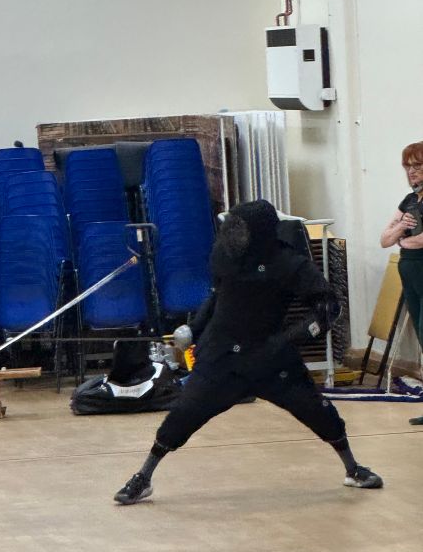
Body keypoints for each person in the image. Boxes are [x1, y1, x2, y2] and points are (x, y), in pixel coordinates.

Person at [113, 199, 383, 505]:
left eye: (240, 228)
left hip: (272, 361)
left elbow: (326, 308)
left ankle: (353, 469)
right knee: (183, 415)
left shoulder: (288, 262)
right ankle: (144, 477)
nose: (232, 233)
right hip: (221, 358)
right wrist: (194, 328)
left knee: (319, 412)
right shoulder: (224, 255)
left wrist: (284, 342)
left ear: (260, 231)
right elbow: (218, 297)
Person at [379, 141, 423, 426]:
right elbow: (385, 240)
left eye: (417, 166)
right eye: (408, 167)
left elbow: (418, 242)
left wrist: (403, 239)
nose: (411, 172)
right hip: (410, 274)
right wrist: (401, 229)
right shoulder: (409, 201)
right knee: (421, 336)